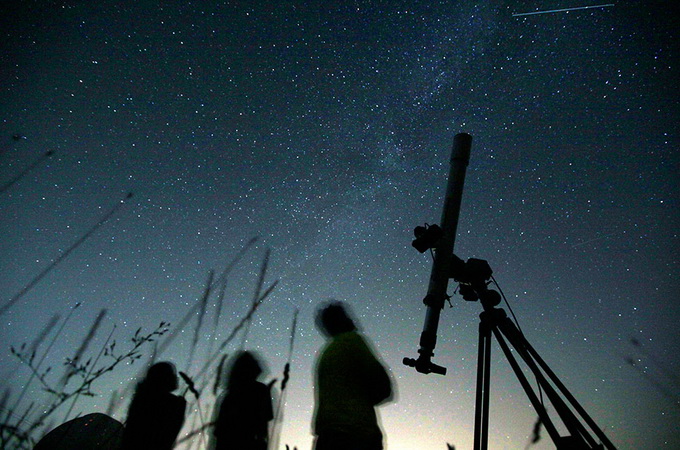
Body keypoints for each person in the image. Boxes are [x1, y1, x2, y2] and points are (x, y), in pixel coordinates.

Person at [312, 301, 393, 450]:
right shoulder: (353, 341)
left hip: (327, 437)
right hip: (357, 433)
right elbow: (383, 386)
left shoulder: (325, 354)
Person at [213, 351, 273, 450]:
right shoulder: (261, 390)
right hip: (250, 443)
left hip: (229, 444)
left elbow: (220, 432)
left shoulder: (229, 395)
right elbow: (263, 425)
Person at [120, 361, 186, 450]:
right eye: (171, 374)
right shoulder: (169, 402)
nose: (176, 378)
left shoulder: (142, 398)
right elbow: (167, 437)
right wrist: (179, 409)